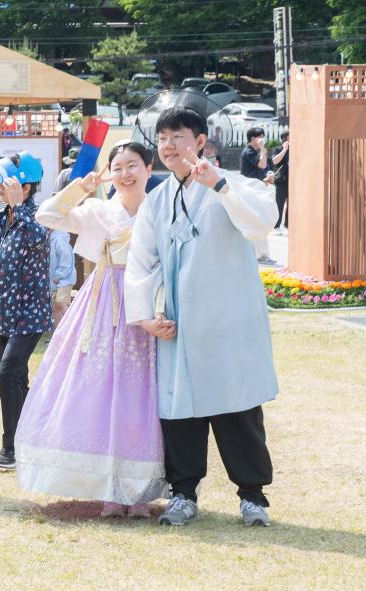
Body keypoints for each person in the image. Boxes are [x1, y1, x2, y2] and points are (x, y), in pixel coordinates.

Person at [125, 106, 279, 528]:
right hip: (180, 325)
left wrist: (223, 186)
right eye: (163, 138)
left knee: (238, 411)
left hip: (230, 321)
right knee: (180, 413)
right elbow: (140, 262)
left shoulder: (235, 184)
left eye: (178, 136)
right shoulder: (157, 200)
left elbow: (262, 223)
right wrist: (143, 317)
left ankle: (253, 497)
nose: (169, 145)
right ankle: (183, 493)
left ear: (199, 142)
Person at [19, 141, 168, 518]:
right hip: (103, 304)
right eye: (117, 168)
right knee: (100, 389)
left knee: (140, 395)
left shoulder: (161, 210)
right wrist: (81, 187)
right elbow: (47, 216)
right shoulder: (99, 210)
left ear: (149, 169)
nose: (125, 174)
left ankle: (138, 491)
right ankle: (107, 489)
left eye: (133, 166)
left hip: (149, 304)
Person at [0, 153, 50, 471]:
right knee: (16, 380)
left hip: (29, 315)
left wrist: (19, 208)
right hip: (3, 314)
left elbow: (40, 238)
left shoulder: (40, 216)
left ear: (24, 186)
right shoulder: (0, 218)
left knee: (7, 376)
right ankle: (37, 436)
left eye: (1, 183)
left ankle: (11, 447)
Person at [239, 126, 275, 264]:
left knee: (259, 220)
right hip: (249, 189)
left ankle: (261, 254)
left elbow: (265, 167)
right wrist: (263, 150)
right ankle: (260, 254)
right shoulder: (248, 152)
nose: (262, 139)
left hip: (257, 188)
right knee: (257, 220)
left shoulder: (257, 151)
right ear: (252, 138)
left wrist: (269, 174)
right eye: (260, 136)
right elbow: (261, 164)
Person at [48, 227, 75, 327]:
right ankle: (57, 336)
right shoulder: (50, 237)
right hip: (54, 279)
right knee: (54, 307)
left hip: (64, 278)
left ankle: (73, 330)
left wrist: (59, 275)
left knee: (60, 303)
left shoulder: (59, 238)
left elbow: (66, 259)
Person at [272, 132, 290, 232]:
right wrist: (284, 149)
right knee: (280, 203)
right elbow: (275, 161)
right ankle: (276, 226)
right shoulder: (278, 149)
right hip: (281, 180)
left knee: (291, 204)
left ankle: (288, 225)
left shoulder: (295, 149)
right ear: (285, 139)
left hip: (292, 180)